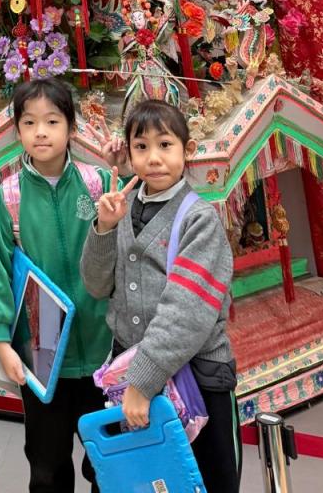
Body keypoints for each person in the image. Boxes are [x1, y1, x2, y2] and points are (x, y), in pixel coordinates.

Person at [82, 98, 241, 492]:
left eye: (165, 145)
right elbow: (96, 285)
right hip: (131, 373)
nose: (153, 158)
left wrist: (141, 382)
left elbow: (186, 312)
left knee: (200, 480)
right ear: (129, 152)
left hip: (195, 379)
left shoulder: (199, 219)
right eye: (141, 146)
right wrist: (103, 228)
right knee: (136, 481)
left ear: (187, 150)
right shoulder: (122, 208)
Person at [0, 78, 123, 493]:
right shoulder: (9, 197)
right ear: (17, 130)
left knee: (109, 464)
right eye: (29, 122)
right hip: (43, 352)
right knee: (47, 466)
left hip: (102, 350)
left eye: (52, 121)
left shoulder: (98, 183)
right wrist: (1, 342)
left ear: (71, 128)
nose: (40, 132)